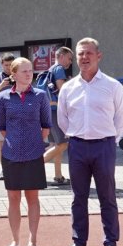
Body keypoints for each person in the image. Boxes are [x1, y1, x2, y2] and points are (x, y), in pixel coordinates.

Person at [58, 38, 123, 246]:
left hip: (104, 147)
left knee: (107, 196)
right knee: (78, 197)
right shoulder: (68, 88)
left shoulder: (112, 86)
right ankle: (79, 242)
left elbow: (122, 118)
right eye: (80, 54)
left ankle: (111, 243)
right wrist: (77, 133)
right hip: (77, 147)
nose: (84, 57)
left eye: (89, 53)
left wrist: (109, 138)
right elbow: (62, 119)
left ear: (99, 55)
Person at [0, 57, 51, 246]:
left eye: (31, 70)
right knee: (13, 198)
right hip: (11, 155)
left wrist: (33, 142)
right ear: (14, 74)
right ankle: (14, 240)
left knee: (32, 198)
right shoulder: (3, 97)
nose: (29, 74)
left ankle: (32, 241)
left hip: (34, 154)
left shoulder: (40, 96)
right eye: (24, 71)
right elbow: (1, 126)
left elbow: (46, 125)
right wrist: (16, 141)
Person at [43, 46, 74, 185]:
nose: (70, 62)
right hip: (55, 109)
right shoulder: (59, 69)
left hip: (46, 109)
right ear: (61, 56)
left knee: (56, 144)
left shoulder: (50, 70)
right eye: (69, 58)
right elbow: (62, 89)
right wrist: (72, 83)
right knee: (63, 144)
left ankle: (58, 176)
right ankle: (32, 167)